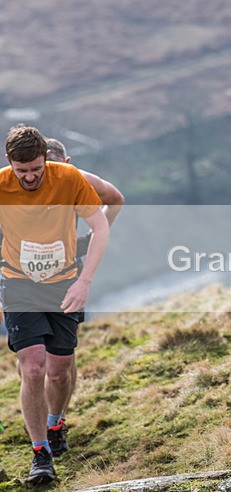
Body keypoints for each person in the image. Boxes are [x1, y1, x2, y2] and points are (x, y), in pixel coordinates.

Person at [0, 125, 110, 484]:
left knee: (59, 371)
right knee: (33, 367)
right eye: (22, 171)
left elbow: (100, 226)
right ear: (9, 163)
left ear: (46, 158)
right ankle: (40, 454)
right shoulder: (2, 186)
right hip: (19, 283)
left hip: (63, 282)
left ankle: (55, 423)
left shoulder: (68, 178)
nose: (29, 176)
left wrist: (83, 282)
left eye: (35, 168)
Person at [42, 137, 125, 458]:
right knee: (32, 359)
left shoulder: (78, 179)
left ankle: (58, 418)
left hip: (66, 273)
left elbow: (116, 198)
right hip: (20, 273)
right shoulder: (21, 180)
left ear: (68, 162)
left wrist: (92, 235)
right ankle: (42, 419)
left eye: (57, 163)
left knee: (63, 353)